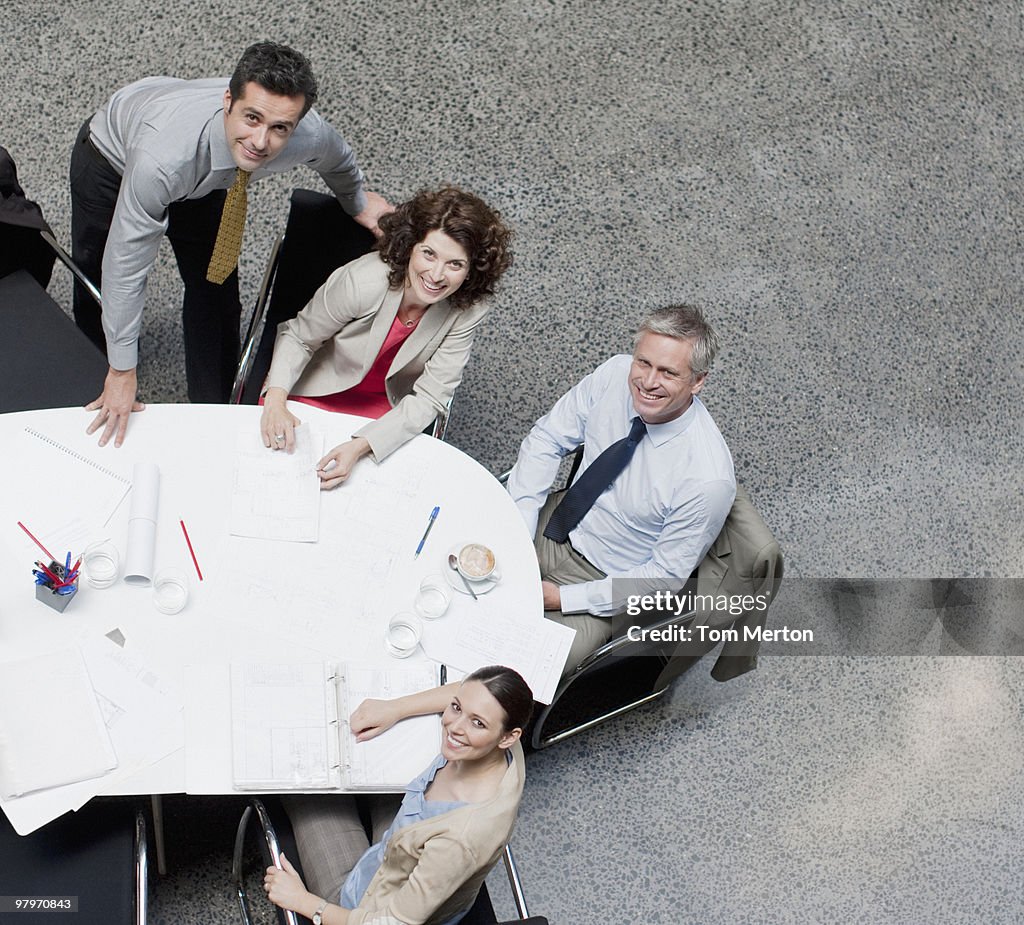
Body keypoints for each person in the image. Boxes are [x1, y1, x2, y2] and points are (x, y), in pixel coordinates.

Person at [71, 41, 393, 447]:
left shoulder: (305, 133)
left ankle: (216, 406)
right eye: (252, 117)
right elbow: (126, 265)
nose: (261, 141)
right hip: (112, 158)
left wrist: (357, 201)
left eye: (279, 128)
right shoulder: (162, 160)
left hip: (210, 176)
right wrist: (122, 370)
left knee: (215, 284)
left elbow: (338, 159)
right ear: (228, 100)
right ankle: (95, 365)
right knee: (98, 264)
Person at [506, 304, 737, 674]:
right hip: (549, 525)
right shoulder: (614, 374)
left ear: (698, 381)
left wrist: (563, 598)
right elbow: (547, 439)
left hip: (602, 583)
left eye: (668, 372)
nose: (647, 382)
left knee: (514, 667)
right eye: (643, 363)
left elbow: (662, 578)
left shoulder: (706, 480)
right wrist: (519, 531)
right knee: (443, 576)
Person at [259, 185, 512, 489]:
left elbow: (431, 397)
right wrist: (275, 402)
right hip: (316, 392)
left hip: (385, 412)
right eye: (428, 254)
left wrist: (362, 444)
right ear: (410, 247)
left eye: (455, 264)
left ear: (472, 270)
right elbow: (300, 337)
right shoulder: (363, 281)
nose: (436, 275)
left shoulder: (468, 308)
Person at [263, 665, 532, 925]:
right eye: (457, 707)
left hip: (368, 905)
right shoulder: (504, 739)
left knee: (300, 781)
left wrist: (304, 902)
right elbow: (462, 689)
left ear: (509, 737)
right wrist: (396, 707)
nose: (453, 726)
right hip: (401, 847)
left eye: (477, 723)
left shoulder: (459, 842)